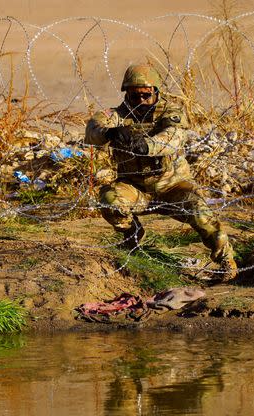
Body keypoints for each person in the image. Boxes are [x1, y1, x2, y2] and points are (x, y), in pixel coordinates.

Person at [85, 64, 238, 282]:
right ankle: (133, 235)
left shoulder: (171, 112)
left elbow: (173, 137)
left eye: (146, 95)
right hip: (135, 188)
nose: (140, 100)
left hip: (173, 187)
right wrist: (109, 133)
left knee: (201, 213)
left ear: (156, 92)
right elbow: (92, 129)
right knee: (110, 201)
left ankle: (226, 261)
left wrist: (145, 146)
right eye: (134, 95)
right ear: (127, 93)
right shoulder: (117, 115)